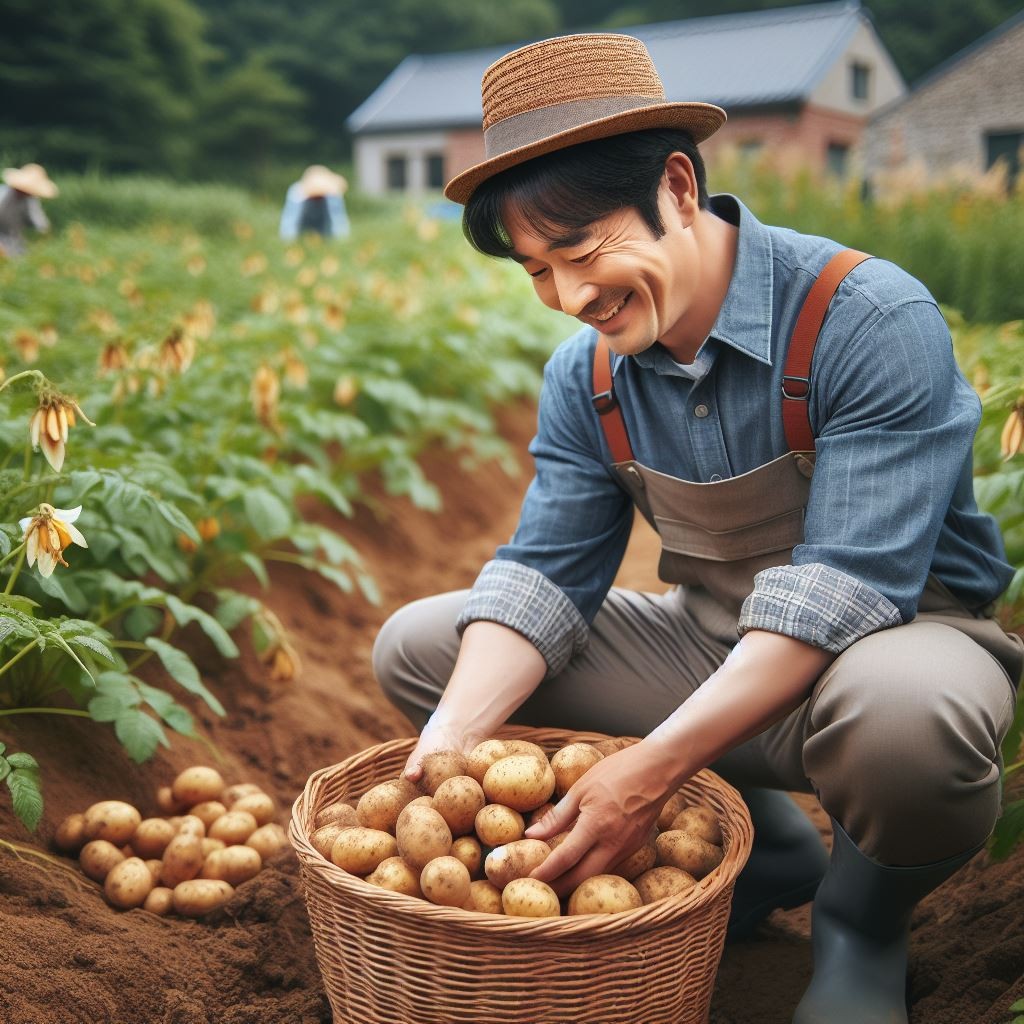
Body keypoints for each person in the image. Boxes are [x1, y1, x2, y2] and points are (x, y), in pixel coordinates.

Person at [372, 33, 1022, 1024]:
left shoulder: (864, 317)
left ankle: (858, 920)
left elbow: (844, 590)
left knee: (908, 719)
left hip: (889, 653)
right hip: (713, 648)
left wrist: (650, 768)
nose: (571, 298)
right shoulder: (584, 377)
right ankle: (764, 847)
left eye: (583, 250)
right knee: (426, 649)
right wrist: (451, 746)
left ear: (677, 186)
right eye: (537, 272)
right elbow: (544, 576)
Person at [279, 164, 350, 241]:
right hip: (303, 221)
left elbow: (337, 218)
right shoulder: (297, 192)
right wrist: (288, 240)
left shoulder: (332, 195)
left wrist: (341, 239)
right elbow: (291, 218)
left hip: (323, 223)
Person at [0, 163, 57, 258]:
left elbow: (40, 222)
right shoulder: (2, 195)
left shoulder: (30, 201)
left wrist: (46, 235)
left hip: (13, 240)